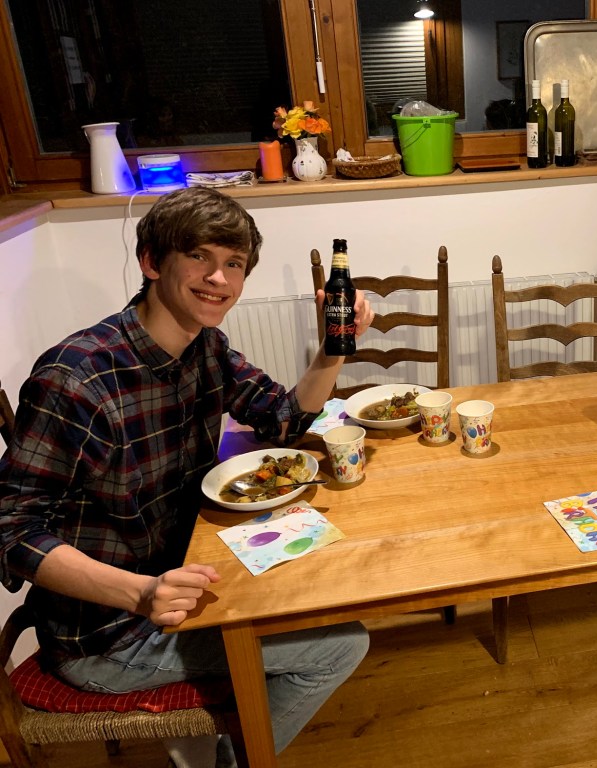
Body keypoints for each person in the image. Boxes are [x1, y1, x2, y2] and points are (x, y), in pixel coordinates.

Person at [0, 187, 375, 767]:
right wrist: (141, 592)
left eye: (234, 264)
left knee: (328, 576)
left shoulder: (206, 347)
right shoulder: (77, 380)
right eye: (199, 257)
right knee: (341, 645)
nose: (219, 279)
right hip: (108, 634)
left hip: (189, 565)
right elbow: (11, 531)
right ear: (152, 261)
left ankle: (217, 740)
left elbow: (281, 419)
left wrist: (333, 350)